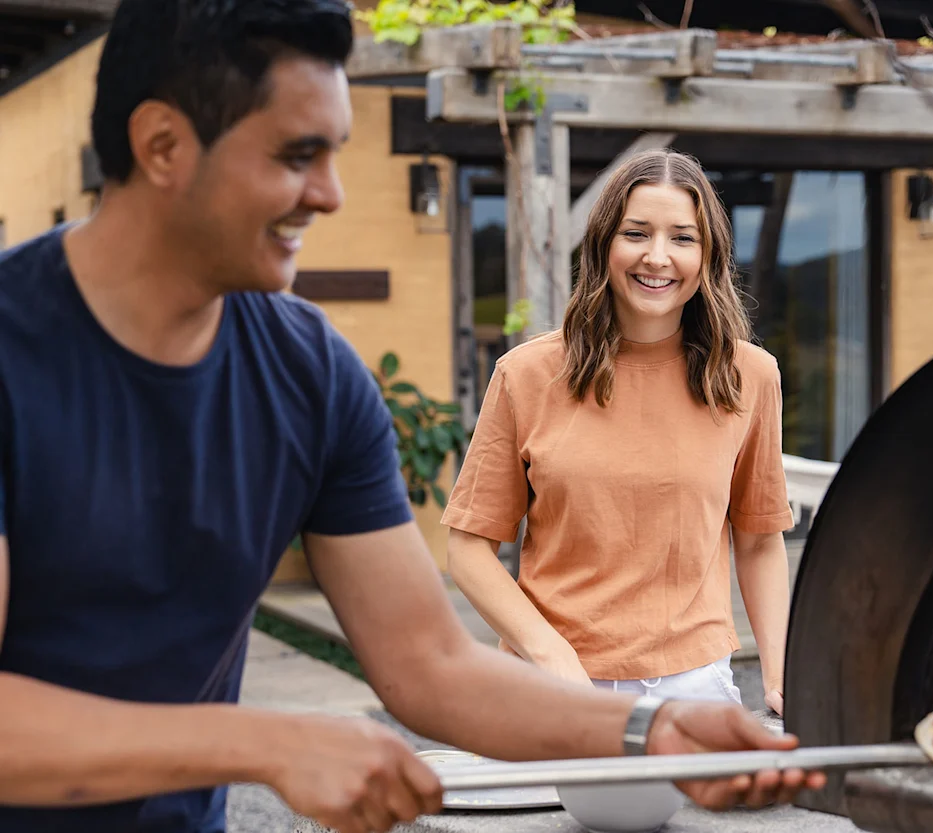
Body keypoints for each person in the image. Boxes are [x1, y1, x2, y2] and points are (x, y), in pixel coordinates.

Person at [0, 2, 825, 832]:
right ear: (163, 145)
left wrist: (655, 729)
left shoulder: (311, 374)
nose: (330, 193)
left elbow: (428, 664)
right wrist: (263, 741)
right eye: (298, 156)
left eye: (334, 155)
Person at [441, 149, 796, 719]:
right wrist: (550, 653)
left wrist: (781, 676)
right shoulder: (526, 375)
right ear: (605, 242)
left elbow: (758, 540)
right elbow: (468, 547)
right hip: (547, 686)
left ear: (709, 256)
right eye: (637, 233)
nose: (658, 257)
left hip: (693, 692)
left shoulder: (750, 377)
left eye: (683, 238)